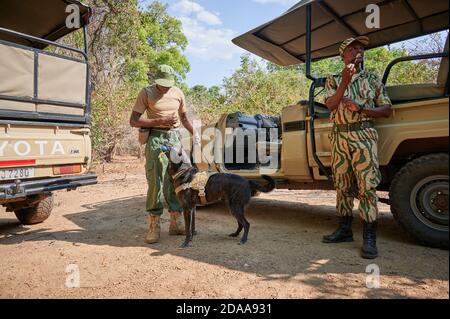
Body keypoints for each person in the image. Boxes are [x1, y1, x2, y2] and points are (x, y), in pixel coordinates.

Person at [322, 36, 393, 259]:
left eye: (361, 48)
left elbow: (387, 110)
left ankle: (369, 238)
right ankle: (344, 230)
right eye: (353, 48)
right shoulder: (333, 79)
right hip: (340, 136)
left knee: (367, 186)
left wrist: (362, 109)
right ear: (343, 55)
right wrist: (344, 81)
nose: (359, 50)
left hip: (364, 135)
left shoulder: (372, 78)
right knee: (342, 185)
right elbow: (331, 105)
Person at [130, 64, 196, 244]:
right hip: (156, 139)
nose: (165, 87)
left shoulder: (178, 93)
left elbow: (183, 118)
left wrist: (193, 132)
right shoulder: (146, 93)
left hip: (174, 139)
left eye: (168, 84)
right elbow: (133, 120)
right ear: (155, 80)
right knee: (155, 182)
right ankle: (154, 224)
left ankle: (176, 221)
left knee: (176, 181)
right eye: (162, 84)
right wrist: (160, 120)